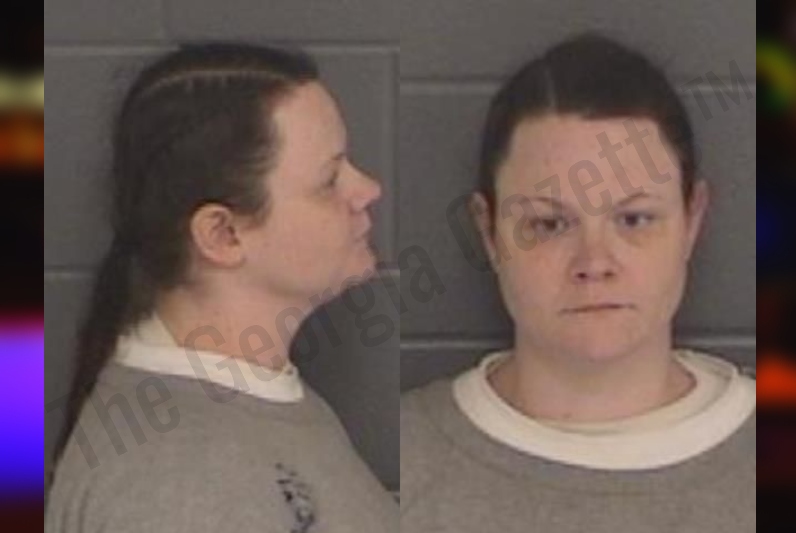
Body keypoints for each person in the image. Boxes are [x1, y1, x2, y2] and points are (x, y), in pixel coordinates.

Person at [401, 33, 755, 532]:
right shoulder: (403, 459)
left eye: (634, 219)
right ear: (488, 232)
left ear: (692, 221)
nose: (594, 262)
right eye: (549, 224)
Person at [46, 43, 398, 532]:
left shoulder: (253, 404)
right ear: (222, 235)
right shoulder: (173, 492)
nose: (368, 190)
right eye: (329, 179)